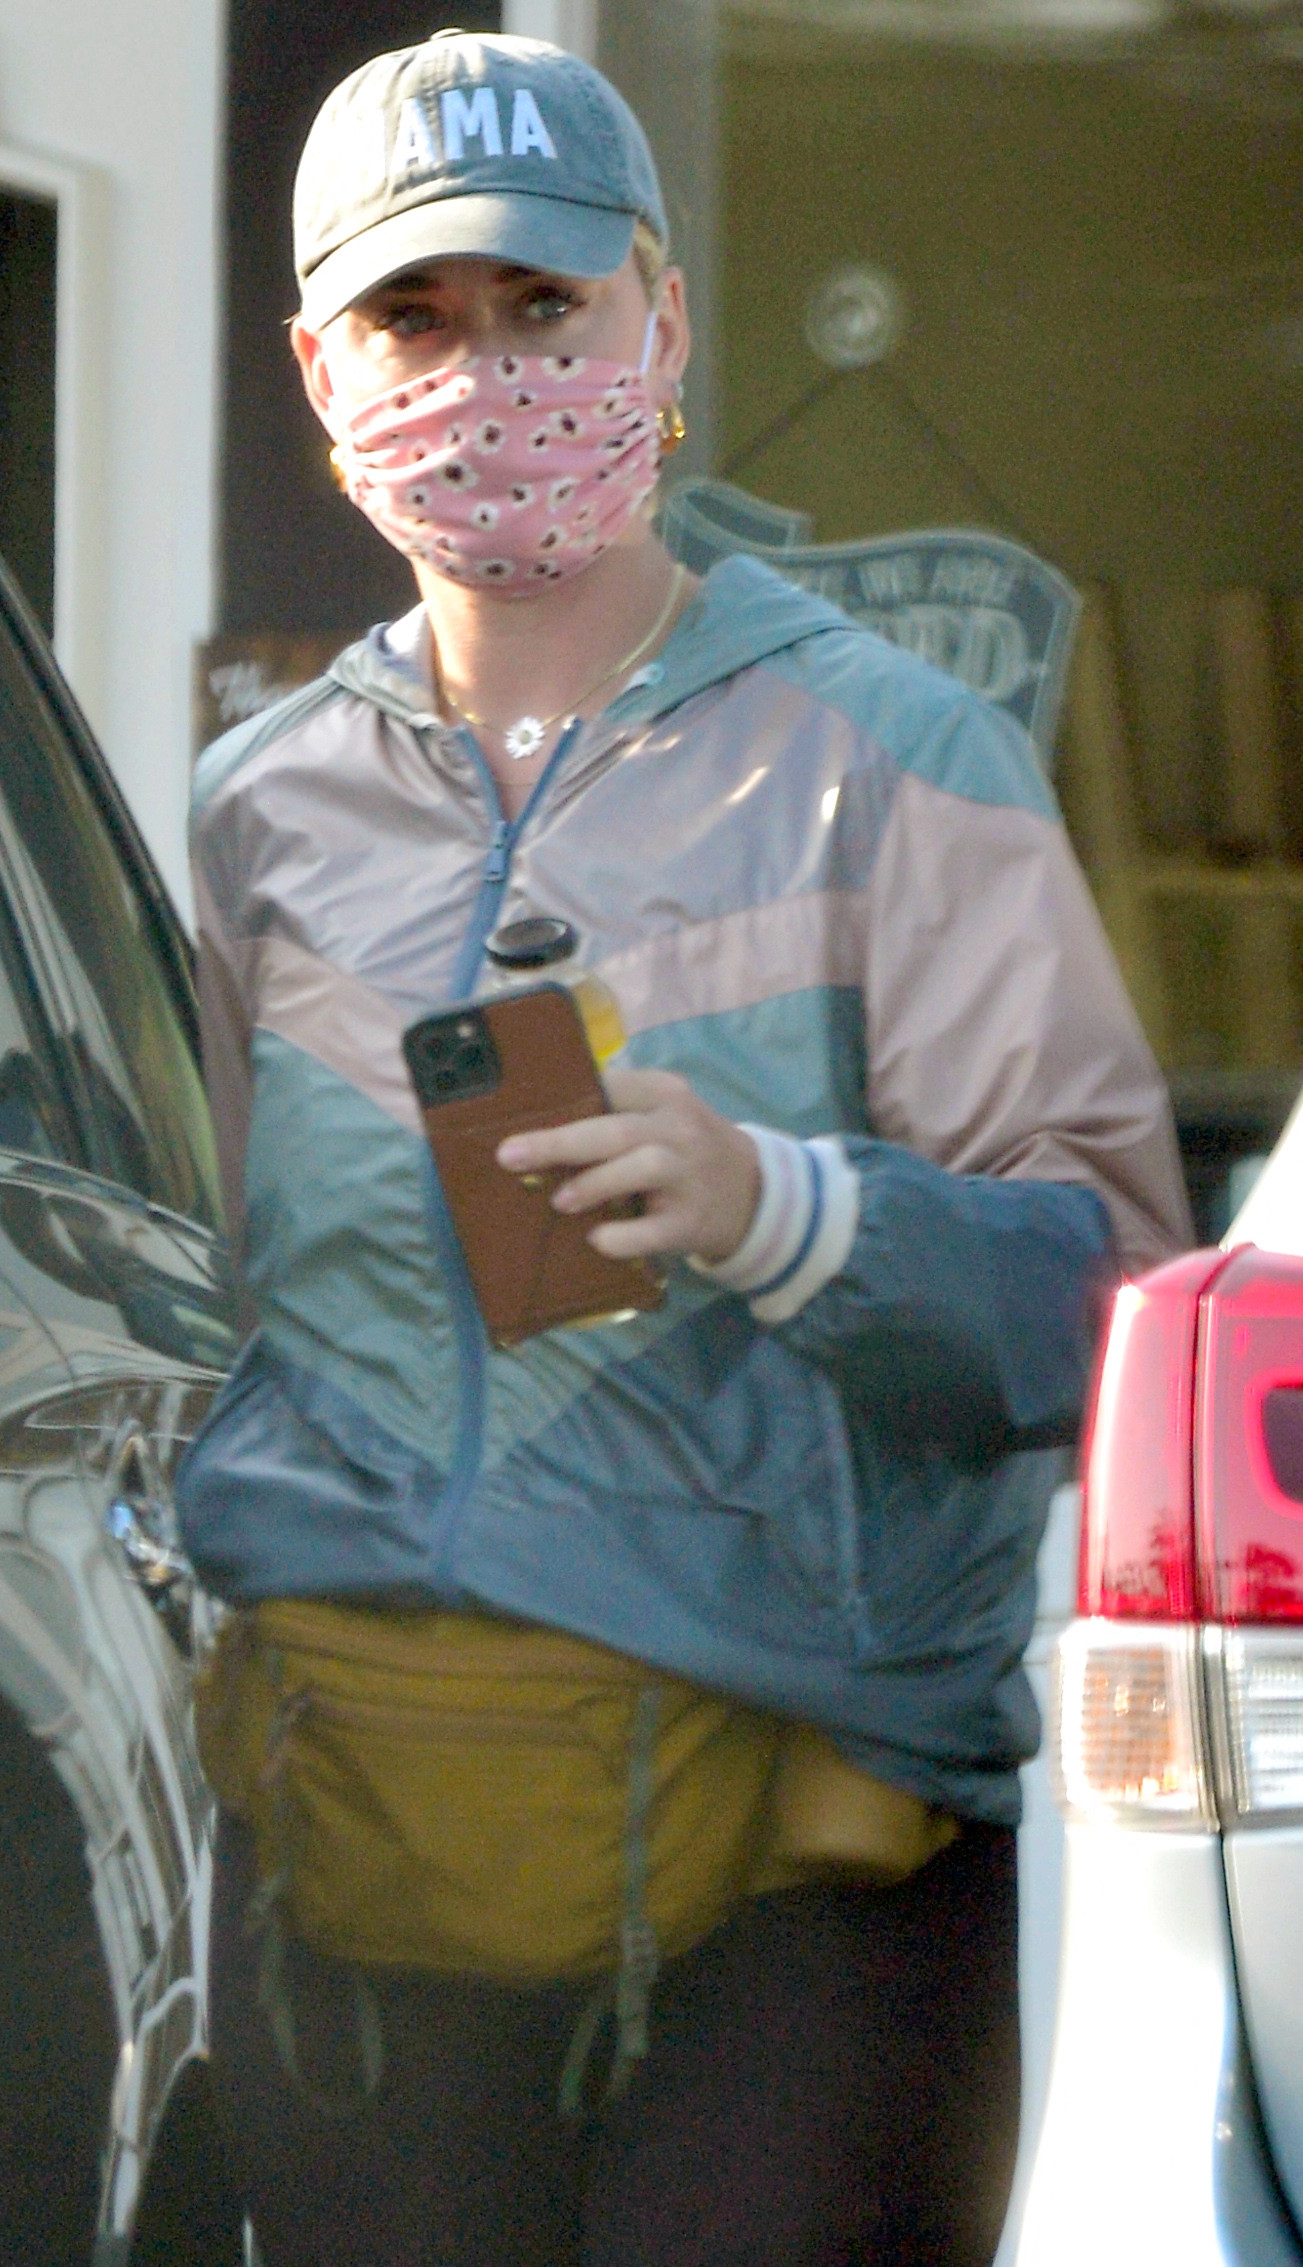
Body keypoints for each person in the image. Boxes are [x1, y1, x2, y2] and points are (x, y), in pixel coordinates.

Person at [179, 30, 1191, 2267]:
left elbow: (1113, 1306)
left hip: (789, 1887)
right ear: (320, 373)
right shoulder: (262, 809)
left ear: (664, 318)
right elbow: (214, 1283)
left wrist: (784, 1211)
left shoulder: (892, 757)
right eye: (415, 317)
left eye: (546, 305)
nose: (487, 376)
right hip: (364, 1843)